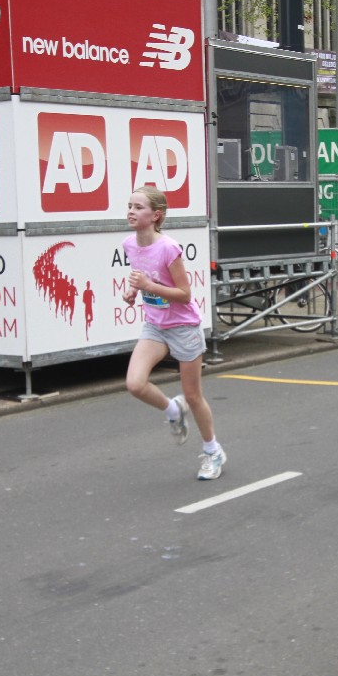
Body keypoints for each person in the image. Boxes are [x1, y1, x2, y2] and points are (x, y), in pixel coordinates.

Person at [122, 186, 226, 481]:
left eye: (138, 207)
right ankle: (172, 411)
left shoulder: (168, 248)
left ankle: (213, 451)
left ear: (155, 215)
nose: (131, 212)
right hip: (155, 325)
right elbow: (142, 277)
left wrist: (148, 286)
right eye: (130, 206)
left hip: (183, 327)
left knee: (193, 395)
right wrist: (133, 291)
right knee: (134, 384)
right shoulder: (130, 244)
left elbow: (184, 294)